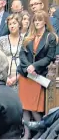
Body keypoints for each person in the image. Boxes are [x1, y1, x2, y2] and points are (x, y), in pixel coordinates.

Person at [17, 10, 57, 139]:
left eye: (40, 20)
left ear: (45, 21)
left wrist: (34, 66)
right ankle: (27, 133)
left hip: (38, 75)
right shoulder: (28, 35)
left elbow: (49, 57)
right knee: (24, 107)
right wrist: (27, 66)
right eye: (35, 20)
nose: (37, 22)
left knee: (34, 107)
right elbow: (22, 54)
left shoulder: (50, 37)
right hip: (25, 74)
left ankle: (40, 131)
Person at [0, 14, 24, 92]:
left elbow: (27, 60)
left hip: (21, 75)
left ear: (19, 25)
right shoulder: (2, 40)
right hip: (5, 76)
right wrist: (5, 77)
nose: (12, 26)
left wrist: (18, 77)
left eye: (14, 23)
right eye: (10, 24)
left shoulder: (25, 40)